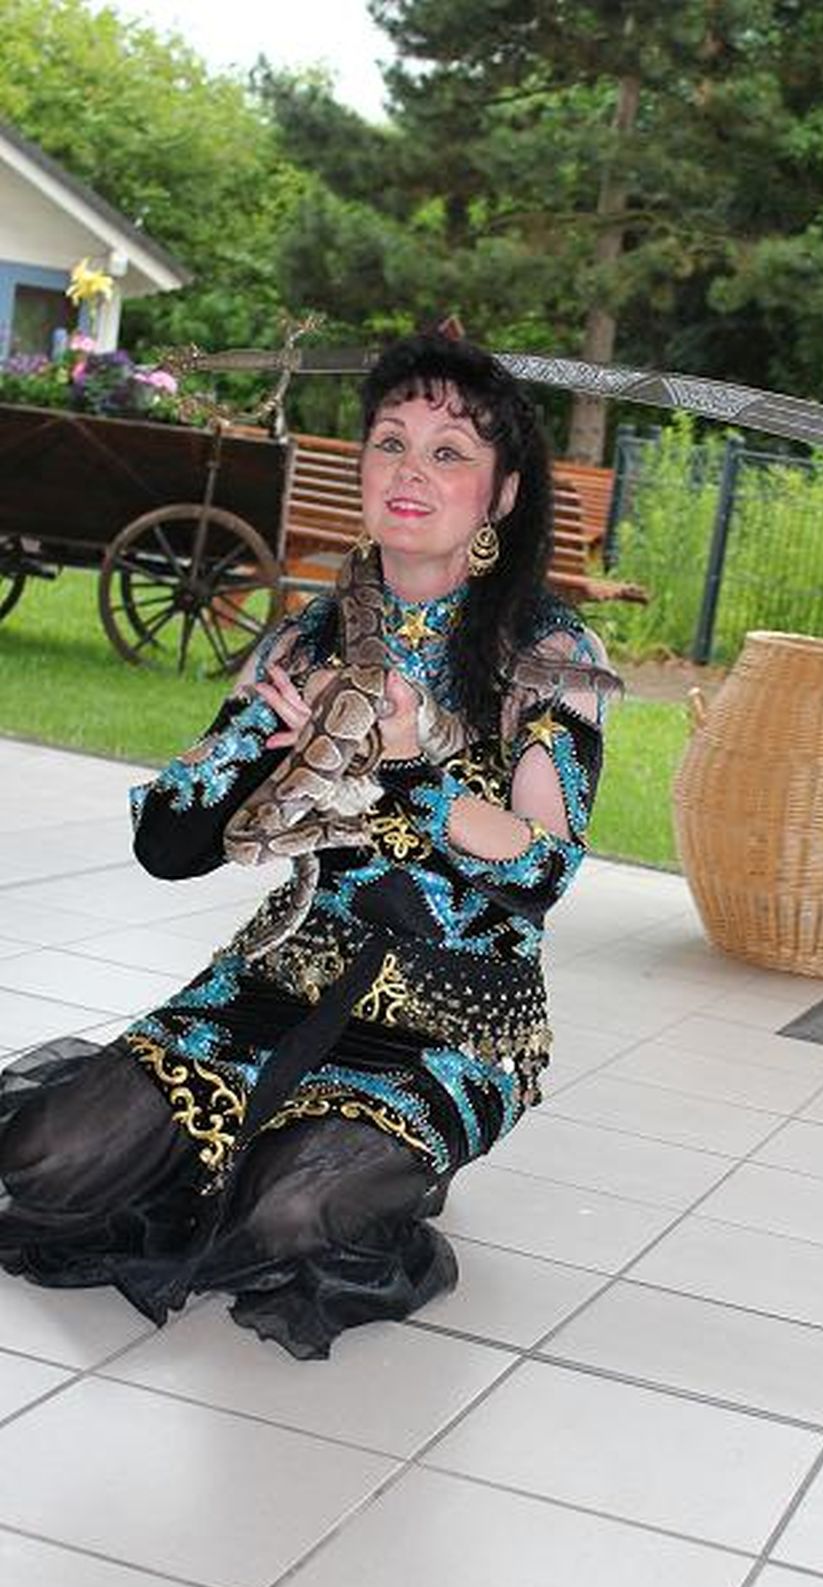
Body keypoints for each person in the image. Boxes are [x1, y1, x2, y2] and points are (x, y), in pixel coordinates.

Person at [0, 332, 618, 1359]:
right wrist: (255, 742)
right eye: (390, 443)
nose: (410, 472)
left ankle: (374, 1154)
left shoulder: (549, 653)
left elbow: (543, 872)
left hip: (454, 1012)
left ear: (503, 495)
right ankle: (270, 1142)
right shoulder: (305, 638)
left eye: (449, 453)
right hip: (279, 979)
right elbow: (168, 847)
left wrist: (412, 763)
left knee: (293, 1213)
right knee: (48, 1157)